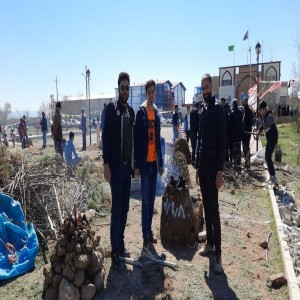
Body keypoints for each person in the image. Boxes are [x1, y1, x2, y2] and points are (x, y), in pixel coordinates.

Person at [102, 72, 135, 270]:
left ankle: (120, 243)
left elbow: (132, 140)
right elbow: (106, 137)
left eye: (127, 88)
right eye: (122, 87)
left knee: (125, 209)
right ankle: (114, 249)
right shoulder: (110, 110)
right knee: (116, 211)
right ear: (118, 89)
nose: (125, 91)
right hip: (114, 169)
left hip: (127, 169)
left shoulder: (130, 112)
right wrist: (106, 163)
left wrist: (134, 165)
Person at [196, 73, 225, 275]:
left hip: (214, 169)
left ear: (212, 88)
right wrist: (197, 167)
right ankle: (210, 245)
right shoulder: (203, 112)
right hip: (203, 168)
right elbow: (199, 141)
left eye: (207, 88)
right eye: (202, 88)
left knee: (214, 212)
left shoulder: (218, 111)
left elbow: (222, 142)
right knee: (206, 208)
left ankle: (218, 256)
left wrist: (220, 171)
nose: (205, 91)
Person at [134, 79, 164, 249]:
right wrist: (137, 165)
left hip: (154, 164)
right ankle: (145, 235)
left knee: (152, 200)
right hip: (145, 165)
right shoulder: (141, 112)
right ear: (146, 94)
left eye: (153, 92)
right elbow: (138, 140)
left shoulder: (157, 113)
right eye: (149, 92)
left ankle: (149, 232)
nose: (151, 94)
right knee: (145, 200)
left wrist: (160, 163)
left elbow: (158, 140)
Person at [255, 100, 278, 184]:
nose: (259, 112)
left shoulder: (268, 116)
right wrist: (259, 131)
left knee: (268, 157)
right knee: (267, 156)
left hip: (272, 140)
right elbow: (263, 125)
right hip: (269, 140)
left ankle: (273, 176)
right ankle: (272, 175)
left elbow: (275, 129)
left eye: (260, 110)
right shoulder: (265, 116)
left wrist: (275, 143)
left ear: (264, 109)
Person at [229, 99, 243, 170]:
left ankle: (235, 164)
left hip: (233, 136)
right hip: (239, 135)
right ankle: (239, 164)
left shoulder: (232, 113)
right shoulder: (240, 113)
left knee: (234, 150)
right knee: (239, 150)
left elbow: (230, 125)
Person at [242, 97, 253, 169]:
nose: (243, 103)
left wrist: (247, 130)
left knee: (246, 148)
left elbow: (249, 122)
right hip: (244, 132)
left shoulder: (248, 111)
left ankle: (247, 164)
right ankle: (246, 163)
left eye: (244, 101)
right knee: (244, 148)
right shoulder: (244, 110)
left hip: (247, 133)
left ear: (246, 102)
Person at [220, 98, 231, 163]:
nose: (221, 104)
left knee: (226, 147)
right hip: (222, 132)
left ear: (224, 103)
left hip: (225, 132)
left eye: (222, 102)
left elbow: (227, 122)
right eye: (221, 102)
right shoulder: (221, 110)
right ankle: (224, 159)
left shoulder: (226, 111)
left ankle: (227, 160)